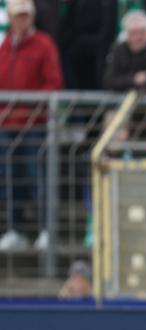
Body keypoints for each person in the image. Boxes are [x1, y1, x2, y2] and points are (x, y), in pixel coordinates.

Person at [0, 0, 63, 252]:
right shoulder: (5, 46)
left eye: (25, 16)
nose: (21, 21)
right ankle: (16, 230)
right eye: (17, 16)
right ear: (11, 19)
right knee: (10, 180)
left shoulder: (44, 44)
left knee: (38, 178)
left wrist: (31, 109)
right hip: (7, 126)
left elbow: (53, 83)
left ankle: (46, 230)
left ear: (32, 17)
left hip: (34, 125)